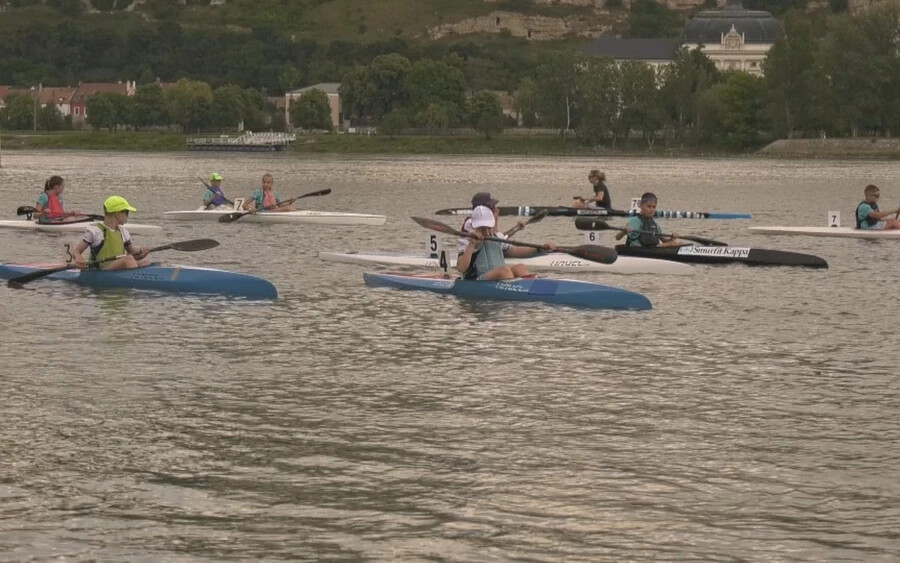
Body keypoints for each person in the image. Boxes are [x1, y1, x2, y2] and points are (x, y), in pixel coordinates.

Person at [456, 205, 552, 281]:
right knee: (504, 271)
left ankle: (531, 292)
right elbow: (461, 268)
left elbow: (516, 251)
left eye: (489, 227)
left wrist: (540, 249)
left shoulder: (497, 237)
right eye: (483, 228)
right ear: (475, 227)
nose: (487, 232)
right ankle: (513, 296)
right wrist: (472, 245)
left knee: (520, 268)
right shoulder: (468, 241)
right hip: (476, 280)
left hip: (497, 276)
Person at [72, 196, 150, 271]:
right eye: (127, 213)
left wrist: (142, 252)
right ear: (118, 215)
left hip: (118, 267)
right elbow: (77, 251)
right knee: (128, 259)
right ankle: (135, 282)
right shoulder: (96, 231)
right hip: (100, 270)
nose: (127, 216)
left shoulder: (123, 232)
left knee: (145, 263)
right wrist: (78, 258)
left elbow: (133, 254)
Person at [616, 192, 686, 247]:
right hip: (639, 251)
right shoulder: (635, 221)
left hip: (652, 249)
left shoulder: (655, 224)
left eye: (654, 207)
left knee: (679, 243)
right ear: (641, 206)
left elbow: (664, 241)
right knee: (676, 243)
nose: (652, 209)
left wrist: (672, 238)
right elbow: (617, 238)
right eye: (649, 206)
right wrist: (624, 232)